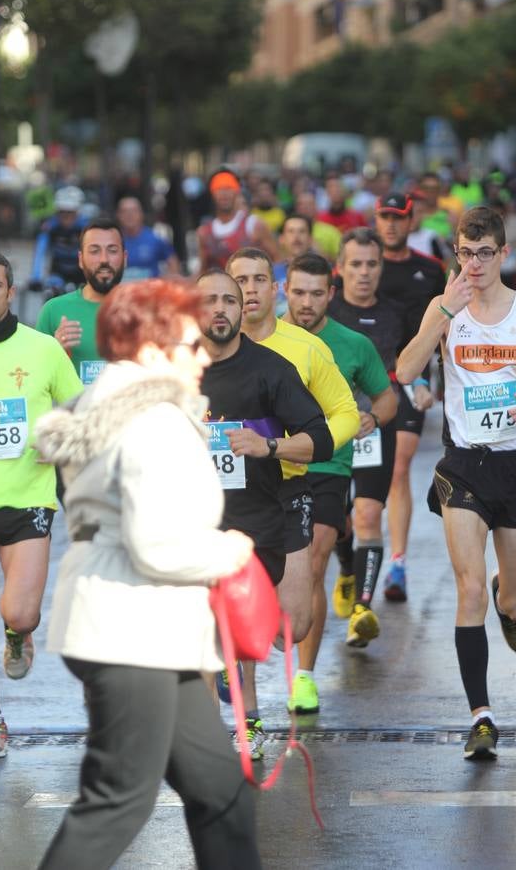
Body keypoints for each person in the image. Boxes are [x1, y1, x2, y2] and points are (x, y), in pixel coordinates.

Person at [34, 278, 262, 869]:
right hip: (130, 627)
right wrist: (229, 553)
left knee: (222, 793)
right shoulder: (154, 421)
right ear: (153, 351)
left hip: (147, 628)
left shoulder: (119, 409)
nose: (203, 354)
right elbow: (156, 544)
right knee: (118, 802)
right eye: (190, 345)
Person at [396, 205, 516, 760]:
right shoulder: (444, 309)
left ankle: (512, 600)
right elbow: (405, 372)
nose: (473, 264)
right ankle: (481, 717)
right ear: (454, 254)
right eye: (464, 253)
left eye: (484, 253)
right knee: (470, 589)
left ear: (503, 254)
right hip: (463, 466)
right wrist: (439, 315)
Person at [197, 270, 333, 747]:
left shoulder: (271, 370)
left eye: (229, 301)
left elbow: (320, 438)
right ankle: (228, 723)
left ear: (243, 310)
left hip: (261, 514)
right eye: (209, 300)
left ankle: (242, 704)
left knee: (271, 624)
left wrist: (268, 446)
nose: (220, 309)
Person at [226, 248, 360, 731]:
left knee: (293, 627)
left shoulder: (303, 348)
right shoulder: (206, 348)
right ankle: (251, 719)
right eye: (241, 280)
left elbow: (344, 411)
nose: (251, 289)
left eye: (260, 279)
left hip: (288, 490)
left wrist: (294, 446)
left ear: (275, 287)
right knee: (232, 604)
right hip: (230, 496)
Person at [284, 251, 397, 711]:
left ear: (330, 294)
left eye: (316, 293)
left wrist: (371, 417)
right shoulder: (264, 338)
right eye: (298, 293)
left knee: (312, 562)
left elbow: (387, 399)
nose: (306, 302)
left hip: (329, 467)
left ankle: (304, 678)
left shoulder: (353, 344)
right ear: (284, 292)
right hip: (273, 467)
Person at [0, 252, 82, 760]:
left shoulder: (44, 350)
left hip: (27, 501)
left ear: (9, 291)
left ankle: (16, 636)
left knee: (21, 612)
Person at [327, 229, 404, 637]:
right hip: (328, 435)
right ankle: (345, 569)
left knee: (369, 513)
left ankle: (362, 611)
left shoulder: (394, 314)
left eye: (371, 264)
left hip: (375, 426)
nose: (363, 272)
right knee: (339, 521)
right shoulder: (326, 310)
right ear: (340, 268)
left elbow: (406, 368)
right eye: (355, 264)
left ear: (381, 267)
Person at [375, 193, 446, 601]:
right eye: (384, 216)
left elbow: (447, 323)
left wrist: (438, 378)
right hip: (365, 381)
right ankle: (359, 549)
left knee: (399, 468)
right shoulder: (363, 266)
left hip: (411, 380)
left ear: (410, 220)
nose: (390, 224)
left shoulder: (431, 270)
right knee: (362, 478)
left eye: (398, 217)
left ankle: (397, 563)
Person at [35, 218, 127, 386]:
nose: (104, 259)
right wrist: (55, 352)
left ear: (125, 257)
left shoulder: (145, 311)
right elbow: (33, 381)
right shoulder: (53, 310)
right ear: (80, 259)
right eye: (94, 251)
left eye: (112, 251)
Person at [197, 168, 279, 271]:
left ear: (237, 191)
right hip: (220, 285)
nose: (224, 194)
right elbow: (202, 271)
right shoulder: (204, 233)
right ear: (212, 193)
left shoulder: (254, 225)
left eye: (229, 188)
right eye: (219, 188)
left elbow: (278, 259)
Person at [29, 185, 86, 292]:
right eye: (62, 211)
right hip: (58, 273)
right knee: (51, 291)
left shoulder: (87, 228)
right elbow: (40, 253)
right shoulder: (49, 228)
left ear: (78, 211)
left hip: (82, 274)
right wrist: (36, 278)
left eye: (70, 212)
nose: (66, 216)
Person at [116, 196, 181, 280]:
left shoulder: (155, 238)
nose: (129, 215)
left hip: (150, 291)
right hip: (123, 291)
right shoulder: (113, 241)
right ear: (118, 215)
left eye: (134, 211)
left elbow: (173, 263)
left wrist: (167, 286)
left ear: (141, 214)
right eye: (125, 211)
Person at [273, 213, 315, 317]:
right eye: (291, 231)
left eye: (302, 231)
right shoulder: (270, 273)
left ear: (310, 239)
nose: (296, 237)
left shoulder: (323, 272)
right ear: (281, 239)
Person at [294, 190, 342, 261]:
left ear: (316, 207)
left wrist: (321, 254)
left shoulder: (330, 231)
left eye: (310, 204)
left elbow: (341, 260)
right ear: (296, 208)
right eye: (301, 204)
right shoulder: (289, 231)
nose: (305, 207)